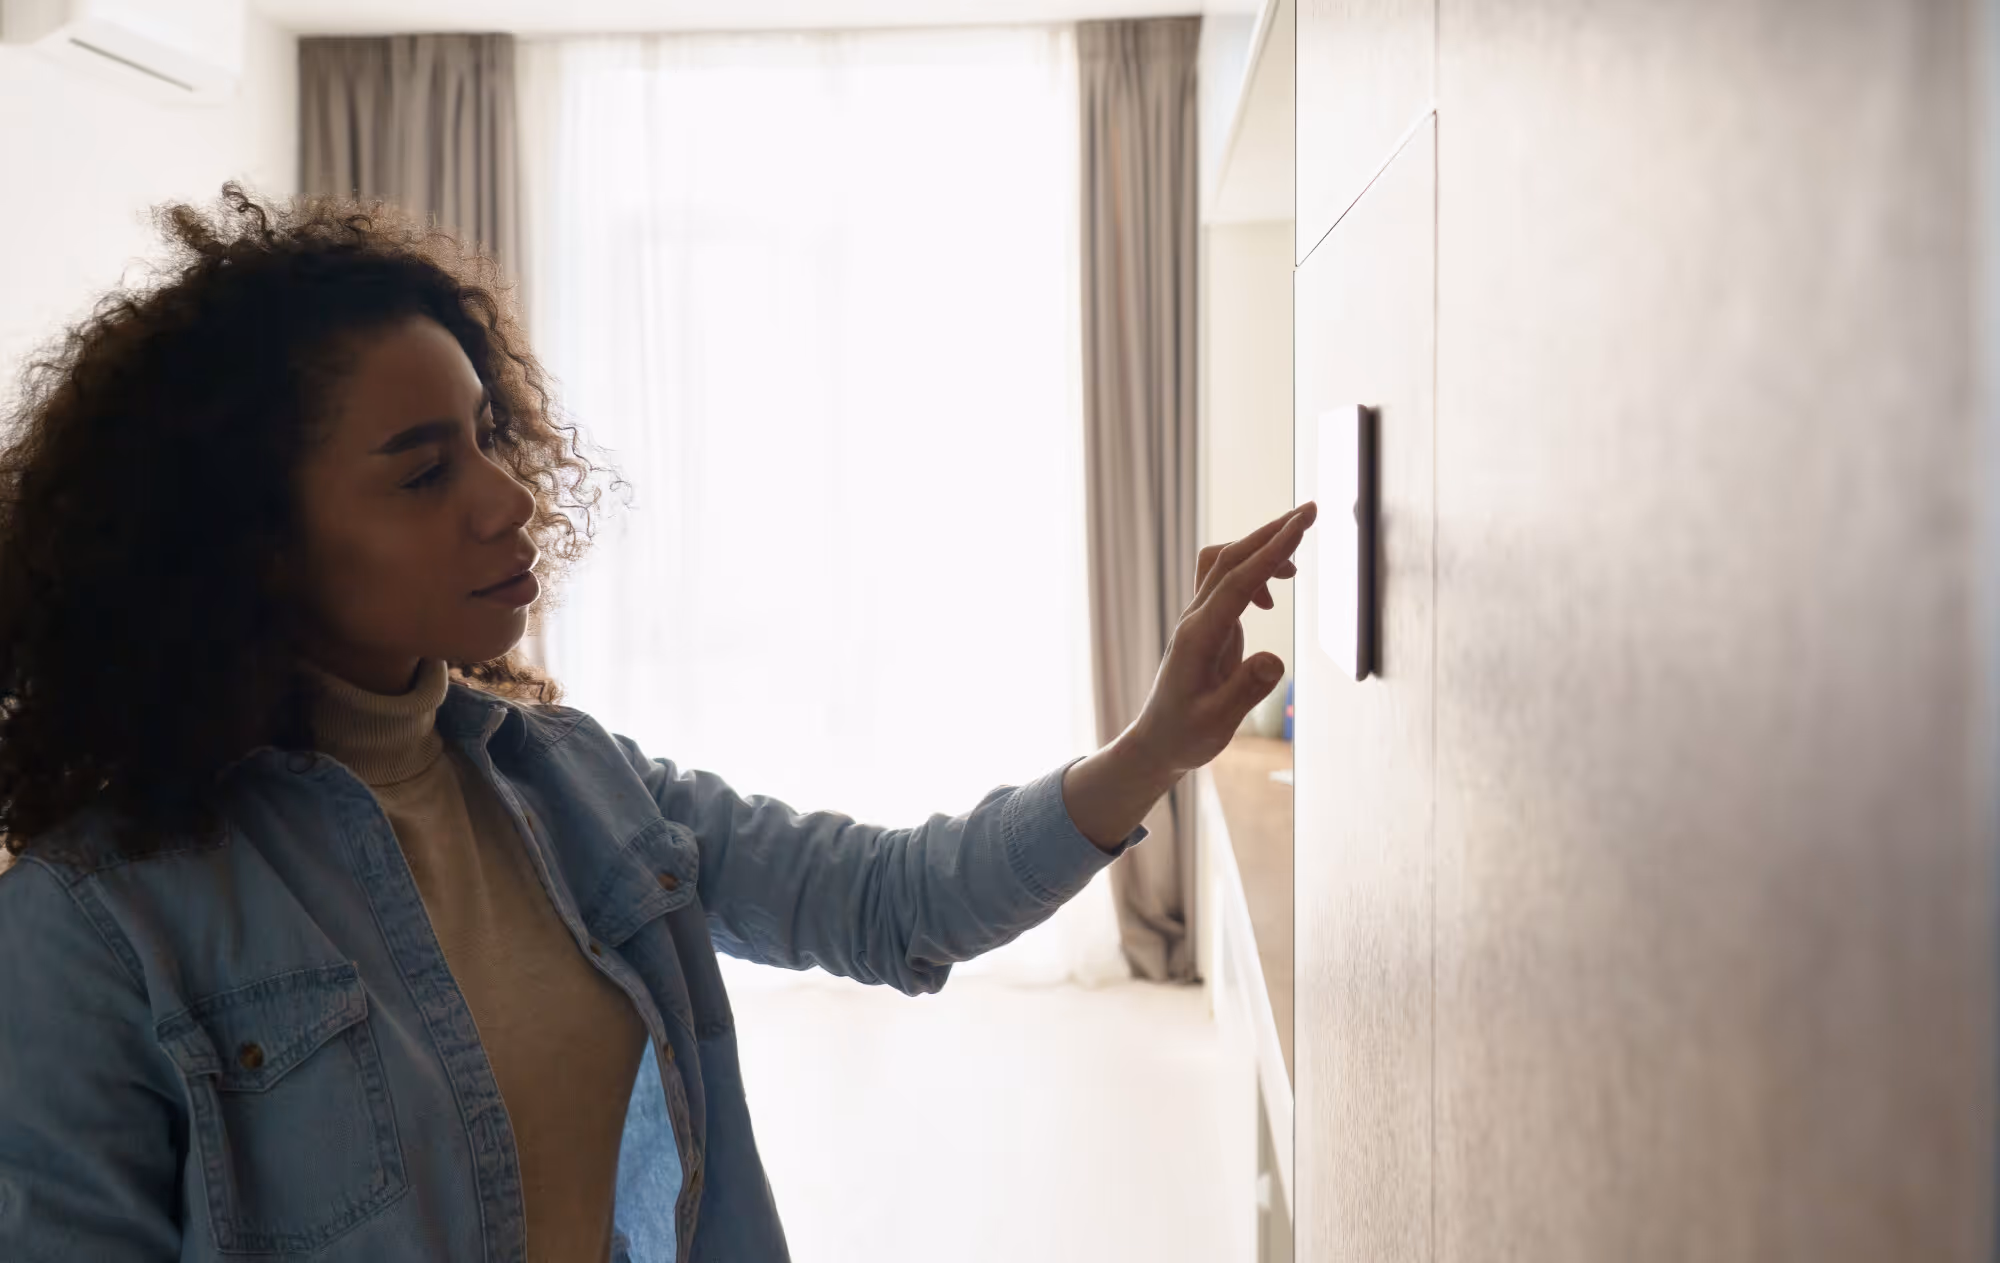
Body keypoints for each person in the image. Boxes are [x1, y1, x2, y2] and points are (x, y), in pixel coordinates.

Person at [0, 182, 1315, 1263]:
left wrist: (1154, 743)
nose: (508, 497)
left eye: (488, 435)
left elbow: (889, 898)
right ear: (253, 545)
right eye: (425, 469)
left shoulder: (569, 783)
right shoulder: (92, 922)